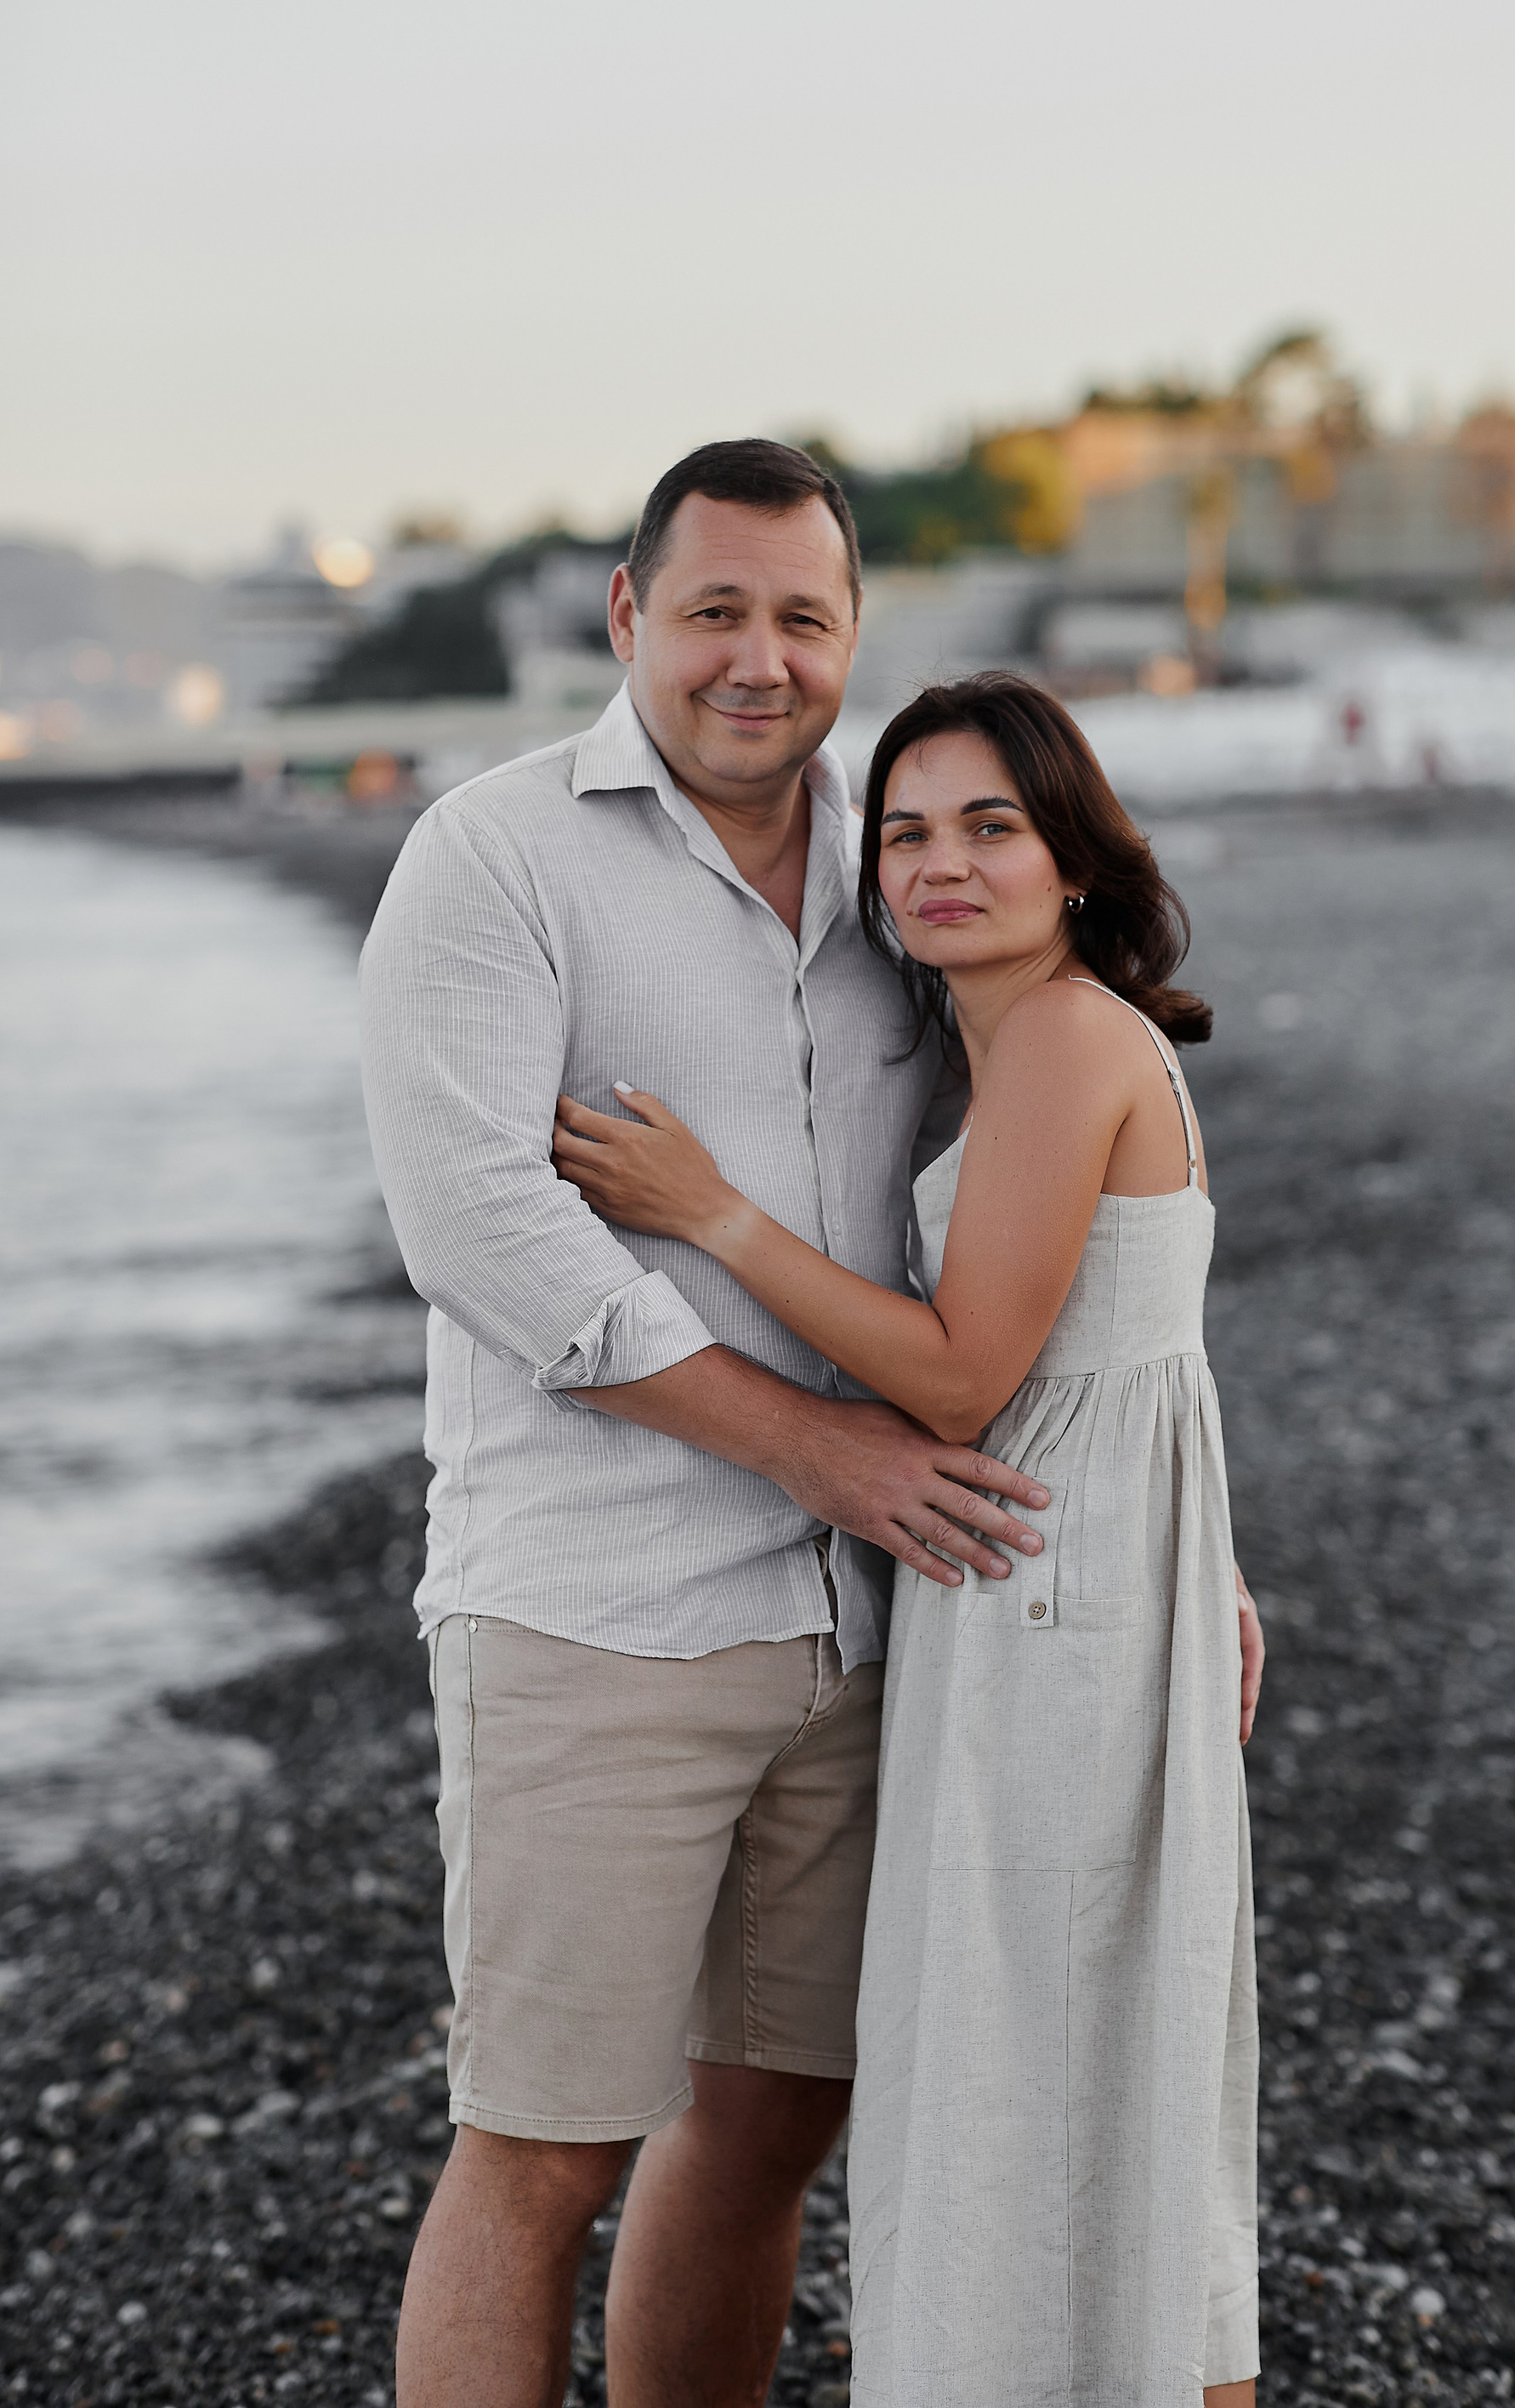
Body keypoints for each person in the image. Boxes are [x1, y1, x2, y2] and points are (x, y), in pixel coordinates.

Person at [357, 440, 1058, 2408]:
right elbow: (481, 1233)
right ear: (628, 616)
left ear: (854, 632)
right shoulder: (496, 857)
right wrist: (818, 1449)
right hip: (598, 1618)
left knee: (768, 2131)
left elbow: (1015, 1219)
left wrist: (1180, 1529)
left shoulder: (901, 869)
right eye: (717, 611)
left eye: (804, 618)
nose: (762, 659)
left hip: (864, 1630)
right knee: (542, 2152)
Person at [554, 671, 1263, 2405]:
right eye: (907, 833)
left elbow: (960, 1378)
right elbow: (1136, 1344)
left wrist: (710, 1213)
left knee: (1036, 2054)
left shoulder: (1066, 1041)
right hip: (1075, 1577)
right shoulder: (1023, 1044)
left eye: (990, 828)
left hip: (1045, 1605)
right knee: (1101, 2062)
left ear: (1074, 858)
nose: (942, 865)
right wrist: (1210, 1560)